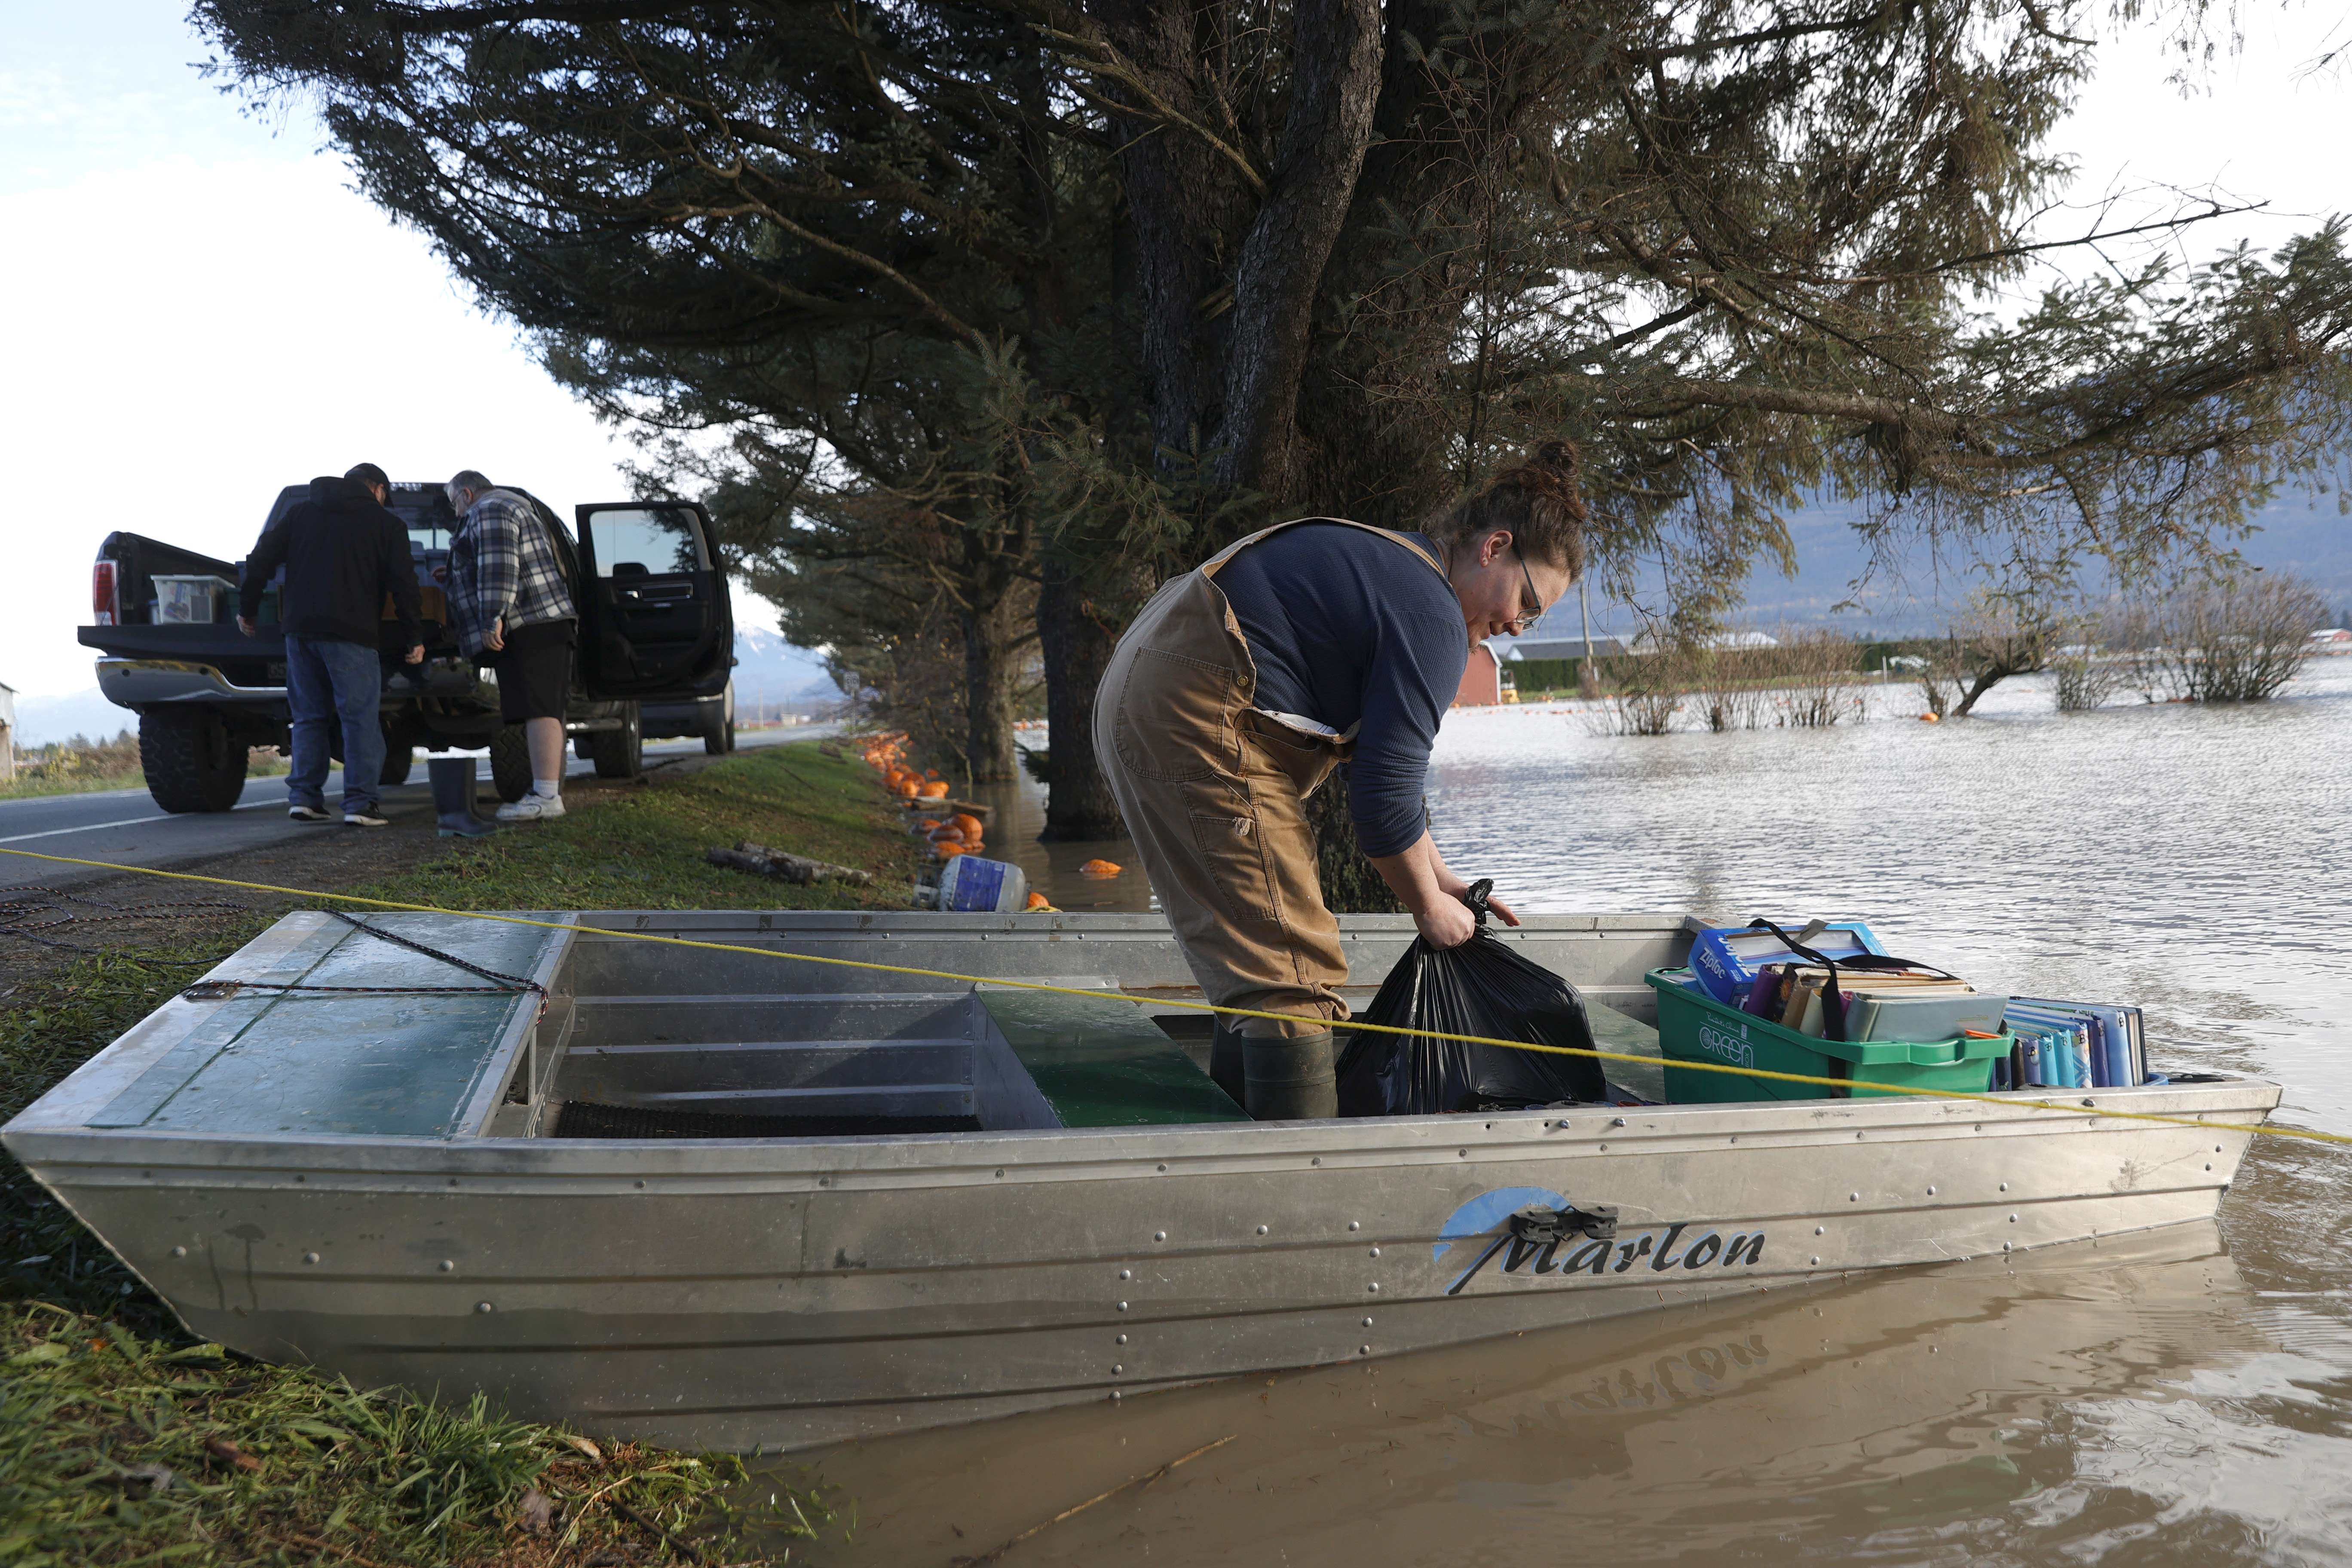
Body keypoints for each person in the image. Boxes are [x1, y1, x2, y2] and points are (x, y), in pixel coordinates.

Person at [1093, 441, 1587, 1121]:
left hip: (1150, 677)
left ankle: (1240, 1137)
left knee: (1253, 955)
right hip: (1197, 704)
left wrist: (1439, 876)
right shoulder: (1434, 616)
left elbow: (1391, 776)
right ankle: (1302, 1195)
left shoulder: (1400, 569)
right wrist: (1427, 909)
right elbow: (1381, 803)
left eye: (1532, 622)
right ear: (1495, 548)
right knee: (1296, 981)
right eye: (1527, 604)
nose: (1514, 626)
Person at [237, 462, 424, 827]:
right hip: (351, 635)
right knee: (359, 720)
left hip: (300, 632)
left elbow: (260, 558)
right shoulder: (386, 524)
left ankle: (305, 799)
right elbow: (405, 585)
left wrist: (248, 609)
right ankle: (360, 804)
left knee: (308, 716)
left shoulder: (302, 512)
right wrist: (413, 637)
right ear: (379, 490)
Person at [444, 470, 579, 821]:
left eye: (454, 503)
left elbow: (500, 565)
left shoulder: (488, 510)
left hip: (531, 623)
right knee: (543, 708)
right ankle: (545, 793)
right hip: (544, 623)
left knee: (540, 709)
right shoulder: (512, 504)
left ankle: (547, 797)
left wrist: (493, 616)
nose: (455, 513)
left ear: (467, 494)